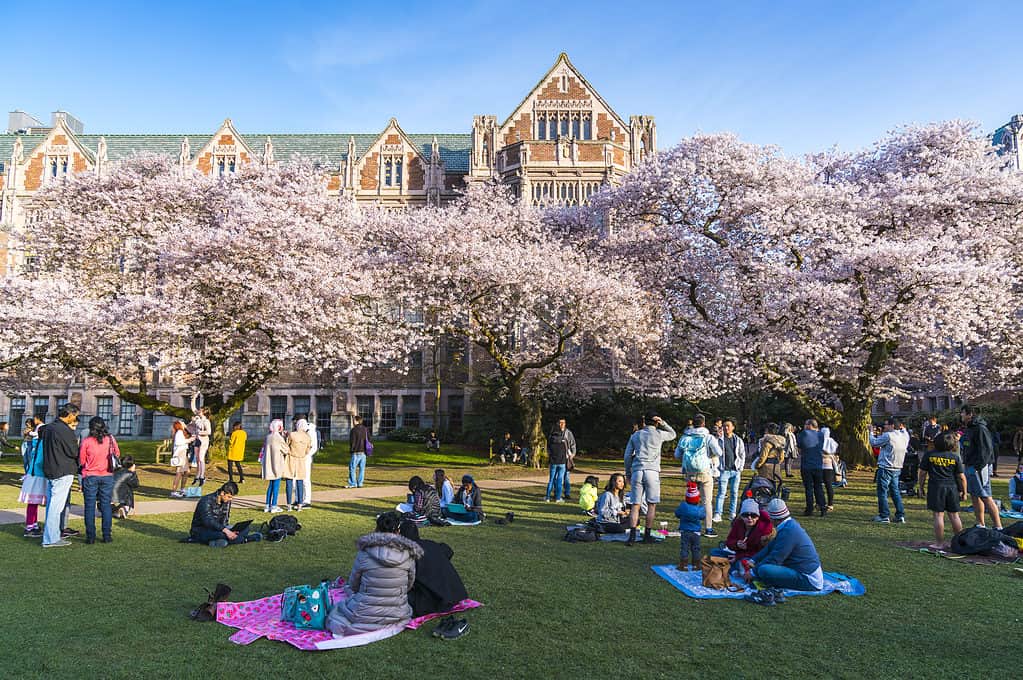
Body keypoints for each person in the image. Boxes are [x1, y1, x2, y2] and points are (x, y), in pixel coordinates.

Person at [326, 511, 424, 635]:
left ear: (377, 528)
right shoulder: (409, 554)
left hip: (363, 610)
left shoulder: (365, 552)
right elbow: (409, 584)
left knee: (338, 611)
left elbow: (354, 584)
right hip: (398, 611)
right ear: (398, 531)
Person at [397, 521, 470, 632]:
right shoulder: (430, 544)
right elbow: (448, 550)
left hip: (435, 602)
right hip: (454, 596)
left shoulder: (408, 553)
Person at [744, 499, 823, 592]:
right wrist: (753, 560)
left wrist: (753, 572)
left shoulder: (789, 531)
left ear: (773, 519)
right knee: (762, 568)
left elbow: (775, 558)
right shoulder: (789, 525)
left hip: (808, 579)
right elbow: (770, 547)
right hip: (802, 570)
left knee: (763, 570)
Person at [625, 412, 677, 544]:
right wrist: (663, 423)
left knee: (635, 505)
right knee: (651, 504)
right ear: (656, 422)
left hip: (637, 469)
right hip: (652, 471)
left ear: (644, 422)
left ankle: (632, 535)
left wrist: (628, 473)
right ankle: (647, 534)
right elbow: (673, 434)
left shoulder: (636, 435)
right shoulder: (659, 434)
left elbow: (627, 456)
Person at [918, 432, 967, 548]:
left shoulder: (929, 455)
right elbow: (961, 477)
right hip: (952, 488)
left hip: (936, 487)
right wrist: (964, 491)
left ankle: (939, 543)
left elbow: (922, 473)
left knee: (938, 516)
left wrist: (920, 487)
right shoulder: (955, 456)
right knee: (954, 516)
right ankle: (959, 543)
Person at [41, 403, 81, 548]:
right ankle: (50, 539)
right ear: (70, 415)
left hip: (51, 469)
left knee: (52, 505)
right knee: (55, 507)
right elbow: (73, 452)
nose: (75, 419)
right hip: (62, 470)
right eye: (75, 416)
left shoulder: (49, 427)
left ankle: (52, 535)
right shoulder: (64, 430)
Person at [959, 405, 1003, 531]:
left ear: (970, 414)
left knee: (985, 496)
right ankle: (980, 523)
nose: (961, 415)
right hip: (970, 465)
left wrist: (978, 466)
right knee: (974, 495)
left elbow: (986, 450)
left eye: (962, 413)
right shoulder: (969, 428)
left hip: (978, 467)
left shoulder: (980, 428)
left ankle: (998, 526)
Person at [678, 414, 721, 537]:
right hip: (704, 472)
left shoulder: (686, 437)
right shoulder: (708, 437)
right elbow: (719, 452)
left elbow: (677, 454)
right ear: (703, 423)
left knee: (691, 500)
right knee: (707, 501)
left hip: (690, 472)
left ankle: (690, 526)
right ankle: (708, 528)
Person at [78, 416, 120, 544]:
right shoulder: (110, 440)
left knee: (89, 506)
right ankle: (107, 535)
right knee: (106, 505)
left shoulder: (87, 441)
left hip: (90, 475)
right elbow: (117, 454)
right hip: (107, 475)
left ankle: (90, 536)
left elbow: (82, 460)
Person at [188, 482, 255, 546]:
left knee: (246, 529)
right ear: (222, 493)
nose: (230, 499)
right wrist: (226, 531)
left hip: (219, 528)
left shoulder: (226, 501)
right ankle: (245, 539)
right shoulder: (206, 500)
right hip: (201, 530)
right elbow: (208, 521)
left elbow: (225, 519)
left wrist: (230, 531)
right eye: (229, 497)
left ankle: (218, 541)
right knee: (222, 535)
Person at [869, 418, 908, 524]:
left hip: (886, 467)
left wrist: (871, 432)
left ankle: (884, 515)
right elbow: (904, 430)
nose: (884, 427)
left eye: (886, 425)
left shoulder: (888, 436)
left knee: (882, 492)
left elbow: (874, 443)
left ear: (891, 426)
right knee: (895, 492)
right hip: (897, 468)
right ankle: (900, 515)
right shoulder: (904, 436)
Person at [19, 417, 47, 538]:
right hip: (37, 476)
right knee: (33, 502)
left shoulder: (36, 443)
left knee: (33, 503)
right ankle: (30, 526)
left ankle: (33, 524)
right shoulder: (42, 445)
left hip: (33, 475)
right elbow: (40, 461)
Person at [714, 418, 747, 522]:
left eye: (728, 426)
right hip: (724, 470)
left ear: (733, 427)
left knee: (734, 492)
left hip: (735, 470)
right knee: (721, 493)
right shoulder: (719, 440)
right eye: (724, 426)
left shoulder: (738, 440)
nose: (726, 428)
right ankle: (718, 513)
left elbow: (742, 454)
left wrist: (740, 467)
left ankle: (732, 513)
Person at [724, 497, 775, 563]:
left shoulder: (764, 529)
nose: (749, 518)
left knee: (741, 562)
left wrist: (739, 557)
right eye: (746, 515)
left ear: (758, 517)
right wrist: (737, 544)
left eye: (753, 515)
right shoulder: (738, 523)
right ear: (741, 516)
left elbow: (761, 552)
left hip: (754, 558)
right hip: (739, 553)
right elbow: (729, 541)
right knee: (715, 552)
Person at [796, 419, 827, 518]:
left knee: (808, 488)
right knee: (818, 487)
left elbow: (800, 447)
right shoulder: (821, 435)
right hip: (818, 464)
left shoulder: (803, 434)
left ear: (809, 425)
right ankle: (822, 506)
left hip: (807, 465)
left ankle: (809, 509)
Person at [675, 482, 704, 571]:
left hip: (685, 531)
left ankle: (683, 565)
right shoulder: (699, 509)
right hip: (696, 532)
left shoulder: (683, 506)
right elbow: (703, 516)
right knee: (696, 548)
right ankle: (696, 564)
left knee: (684, 548)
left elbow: (677, 513)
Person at [283, 419, 311, 511]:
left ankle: (289, 504)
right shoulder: (307, 437)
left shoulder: (292, 434)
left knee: (289, 481)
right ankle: (299, 504)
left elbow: (287, 445)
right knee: (300, 481)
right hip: (301, 459)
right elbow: (307, 450)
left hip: (291, 458)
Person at [261, 419, 288, 513]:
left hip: (268, 464)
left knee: (270, 485)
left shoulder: (268, 437)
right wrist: (285, 438)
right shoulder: (279, 438)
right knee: (276, 485)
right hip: (277, 464)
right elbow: (286, 450)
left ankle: (267, 505)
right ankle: (274, 505)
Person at [545, 421, 572, 503]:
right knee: (560, 480)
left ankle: (547, 497)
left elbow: (548, 450)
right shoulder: (563, 440)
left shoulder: (550, 440)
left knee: (551, 480)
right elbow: (567, 451)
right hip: (562, 462)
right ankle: (558, 498)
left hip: (553, 462)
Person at [189, 395, 212, 486]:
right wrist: (194, 398)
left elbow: (209, 431)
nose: (199, 411)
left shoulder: (206, 421)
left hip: (203, 441)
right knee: (197, 459)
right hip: (197, 440)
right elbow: (193, 408)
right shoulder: (198, 419)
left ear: (204, 412)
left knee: (201, 458)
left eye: (201, 410)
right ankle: (197, 475)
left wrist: (200, 432)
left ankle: (202, 476)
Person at [170, 420, 194, 497]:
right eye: (182, 423)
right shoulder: (179, 432)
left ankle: (182, 489)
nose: (184, 423)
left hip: (184, 453)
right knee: (179, 473)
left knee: (187, 471)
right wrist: (189, 440)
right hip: (180, 454)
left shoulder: (181, 432)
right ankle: (174, 491)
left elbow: (190, 429)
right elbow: (178, 442)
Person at [820, 426, 840, 511]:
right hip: (827, 466)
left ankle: (825, 503)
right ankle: (828, 503)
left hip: (823, 465)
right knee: (827, 486)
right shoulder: (831, 441)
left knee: (823, 485)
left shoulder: (821, 441)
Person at [347, 415, 369, 489]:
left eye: (354, 420)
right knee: (362, 469)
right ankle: (360, 483)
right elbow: (369, 439)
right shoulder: (365, 429)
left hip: (356, 451)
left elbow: (352, 441)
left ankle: (353, 483)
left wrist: (351, 450)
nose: (353, 421)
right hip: (363, 452)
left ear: (356, 421)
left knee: (352, 468)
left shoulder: (353, 430)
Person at [558, 419, 578, 500]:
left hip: (566, 458)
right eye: (560, 422)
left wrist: (572, 454)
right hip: (558, 458)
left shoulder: (568, 433)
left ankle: (567, 493)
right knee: (557, 477)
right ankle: (557, 493)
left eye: (563, 422)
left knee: (566, 476)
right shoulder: (555, 432)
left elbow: (573, 443)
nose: (561, 424)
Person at [302, 417, 318, 506]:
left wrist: (307, 455)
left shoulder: (311, 431)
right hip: (299, 458)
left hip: (306, 458)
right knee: (297, 480)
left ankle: (307, 500)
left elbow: (314, 447)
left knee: (306, 479)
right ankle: (298, 498)